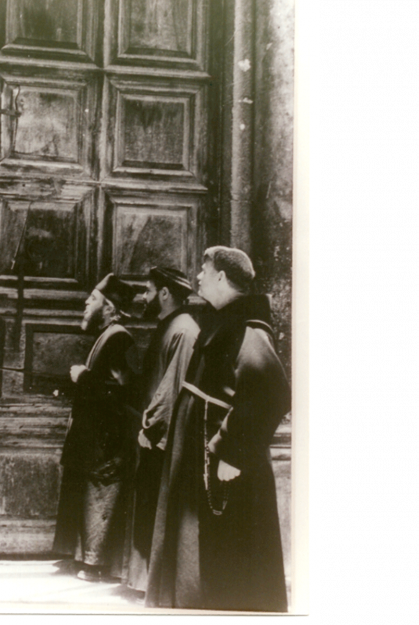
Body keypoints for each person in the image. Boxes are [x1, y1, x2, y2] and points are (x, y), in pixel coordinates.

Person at [145, 247, 291, 612]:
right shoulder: (225, 322)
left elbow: (271, 394)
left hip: (223, 467)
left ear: (222, 277)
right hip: (199, 461)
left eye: (204, 270)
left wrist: (232, 450)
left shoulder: (249, 330)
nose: (197, 277)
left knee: (229, 564)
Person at [53, 274, 140, 582]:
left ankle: (94, 564)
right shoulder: (109, 336)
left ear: (109, 307)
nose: (85, 303)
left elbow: (122, 394)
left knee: (100, 497)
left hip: (106, 442)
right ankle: (83, 558)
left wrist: (83, 378)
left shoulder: (119, 338)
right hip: (94, 439)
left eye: (92, 299)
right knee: (90, 497)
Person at [125, 267, 200, 594]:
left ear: (165, 293)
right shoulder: (170, 326)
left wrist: (153, 428)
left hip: (164, 440)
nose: (143, 296)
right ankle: (146, 582)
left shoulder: (182, 330)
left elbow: (173, 386)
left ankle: (156, 585)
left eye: (148, 290)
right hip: (154, 437)